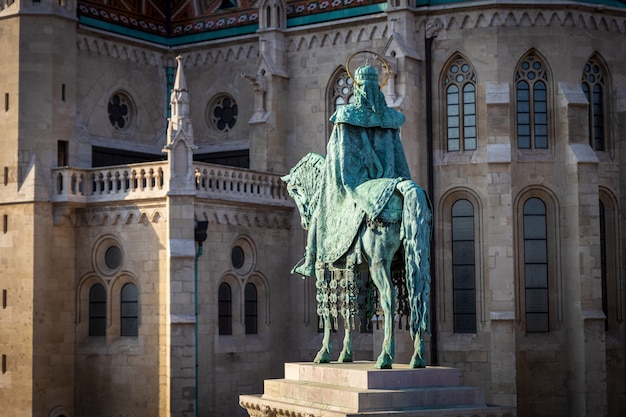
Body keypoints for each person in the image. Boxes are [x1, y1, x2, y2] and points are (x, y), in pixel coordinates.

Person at [293, 63, 411, 276]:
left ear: (357, 87)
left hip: (354, 178)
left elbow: (338, 154)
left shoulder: (346, 115)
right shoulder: (390, 118)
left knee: (321, 207)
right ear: (378, 86)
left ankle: (310, 260)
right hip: (390, 177)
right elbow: (397, 154)